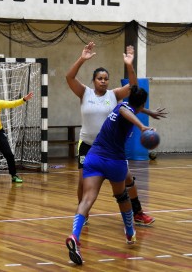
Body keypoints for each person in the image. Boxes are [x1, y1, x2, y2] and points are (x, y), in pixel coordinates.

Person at [66, 42, 167, 225]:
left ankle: (138, 213)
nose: (103, 81)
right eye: (99, 78)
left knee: (128, 178)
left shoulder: (114, 95)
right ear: (94, 80)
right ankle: (82, 214)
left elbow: (134, 88)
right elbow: (69, 77)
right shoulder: (85, 93)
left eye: (106, 78)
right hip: (88, 145)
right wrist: (82, 58)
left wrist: (129, 65)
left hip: (111, 148)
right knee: (83, 181)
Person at [66, 85, 152, 265]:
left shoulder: (121, 104)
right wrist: (142, 125)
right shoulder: (123, 108)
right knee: (122, 196)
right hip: (115, 161)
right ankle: (129, 233)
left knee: (87, 199)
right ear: (142, 103)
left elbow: (129, 108)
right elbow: (126, 111)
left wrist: (149, 112)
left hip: (94, 157)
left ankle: (74, 235)